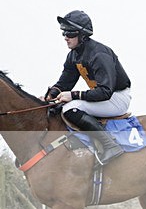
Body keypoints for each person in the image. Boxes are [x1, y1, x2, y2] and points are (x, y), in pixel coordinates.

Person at [44, 10, 131, 164]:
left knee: (70, 108)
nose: (65, 37)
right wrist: (49, 96)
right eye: (64, 32)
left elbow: (105, 92)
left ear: (82, 35)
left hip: (117, 98)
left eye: (70, 33)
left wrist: (73, 95)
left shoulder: (99, 54)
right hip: (102, 96)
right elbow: (65, 82)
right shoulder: (73, 55)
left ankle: (110, 145)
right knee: (56, 107)